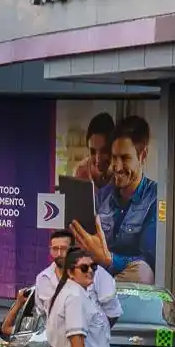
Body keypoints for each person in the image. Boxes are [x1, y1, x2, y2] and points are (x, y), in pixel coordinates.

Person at [72, 114, 159, 283]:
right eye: (114, 157)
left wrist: (109, 259)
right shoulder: (102, 196)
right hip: (96, 282)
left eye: (125, 158)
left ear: (143, 155)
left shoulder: (155, 198)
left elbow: (149, 262)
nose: (117, 167)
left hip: (133, 293)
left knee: (143, 271)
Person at [34, 229, 122, 324]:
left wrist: (96, 334)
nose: (59, 254)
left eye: (63, 248)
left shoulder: (95, 272)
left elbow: (113, 313)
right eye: (55, 249)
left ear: (73, 249)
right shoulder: (42, 278)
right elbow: (42, 315)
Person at [72, 112, 116, 188]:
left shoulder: (121, 172)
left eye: (104, 151)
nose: (97, 159)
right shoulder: (81, 171)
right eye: (92, 151)